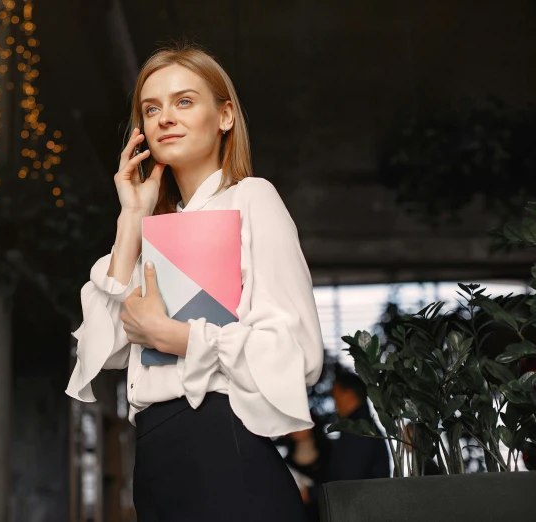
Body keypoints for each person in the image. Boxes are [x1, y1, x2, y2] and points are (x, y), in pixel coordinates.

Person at [65, 42, 325, 522]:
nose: (165, 117)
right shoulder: (153, 228)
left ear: (225, 115)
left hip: (224, 447)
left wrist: (178, 338)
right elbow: (97, 355)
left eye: (184, 101)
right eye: (152, 108)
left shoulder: (250, 198)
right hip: (156, 461)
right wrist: (132, 219)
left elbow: (301, 353)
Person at [303, 370, 391, 505]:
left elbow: (347, 481)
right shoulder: (364, 427)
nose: (335, 404)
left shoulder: (358, 430)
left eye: (336, 397)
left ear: (349, 395)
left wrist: (311, 493)